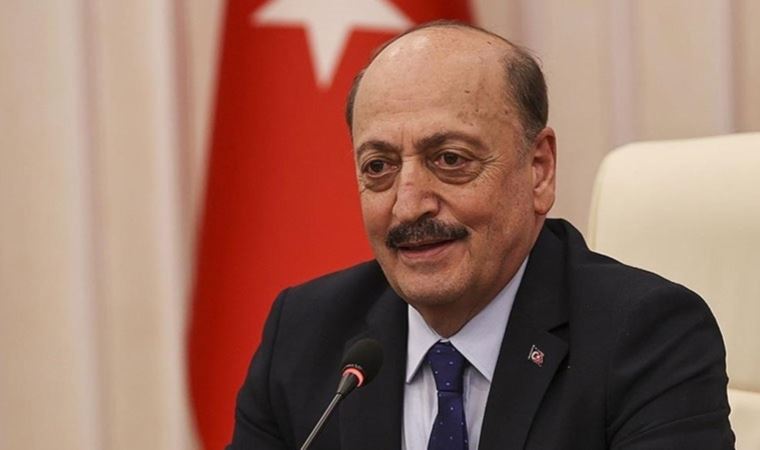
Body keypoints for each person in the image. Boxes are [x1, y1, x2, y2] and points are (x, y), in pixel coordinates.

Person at [228, 21, 734, 449]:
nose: (408, 206)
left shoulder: (647, 335)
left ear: (538, 170)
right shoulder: (305, 333)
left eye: (450, 159)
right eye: (379, 166)